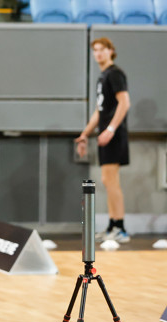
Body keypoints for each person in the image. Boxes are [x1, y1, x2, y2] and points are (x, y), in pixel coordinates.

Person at [75, 37, 131, 243]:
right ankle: (112, 226)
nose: (98, 53)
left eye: (102, 49)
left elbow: (124, 103)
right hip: (105, 134)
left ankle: (120, 228)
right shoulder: (103, 77)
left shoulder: (115, 74)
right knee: (107, 181)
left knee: (111, 180)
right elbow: (99, 112)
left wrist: (110, 129)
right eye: (95, 50)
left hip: (114, 135)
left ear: (111, 51)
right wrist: (85, 134)